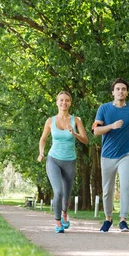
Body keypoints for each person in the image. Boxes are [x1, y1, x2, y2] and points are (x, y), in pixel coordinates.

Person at [93, 78, 129, 232]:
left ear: (127, 92)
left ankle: (123, 220)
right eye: (118, 89)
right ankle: (108, 219)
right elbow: (96, 131)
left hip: (126, 154)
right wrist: (111, 126)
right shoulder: (103, 109)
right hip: (107, 155)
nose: (121, 91)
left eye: (123, 89)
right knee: (107, 189)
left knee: (125, 186)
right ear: (113, 92)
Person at [38, 91, 88, 233]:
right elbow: (43, 139)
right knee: (58, 191)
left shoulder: (76, 120)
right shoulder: (50, 121)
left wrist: (75, 133)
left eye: (67, 100)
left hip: (69, 161)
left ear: (70, 103)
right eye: (61, 100)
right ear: (57, 102)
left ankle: (65, 213)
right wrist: (41, 152)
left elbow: (85, 140)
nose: (64, 103)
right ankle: (58, 222)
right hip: (53, 159)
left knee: (67, 194)